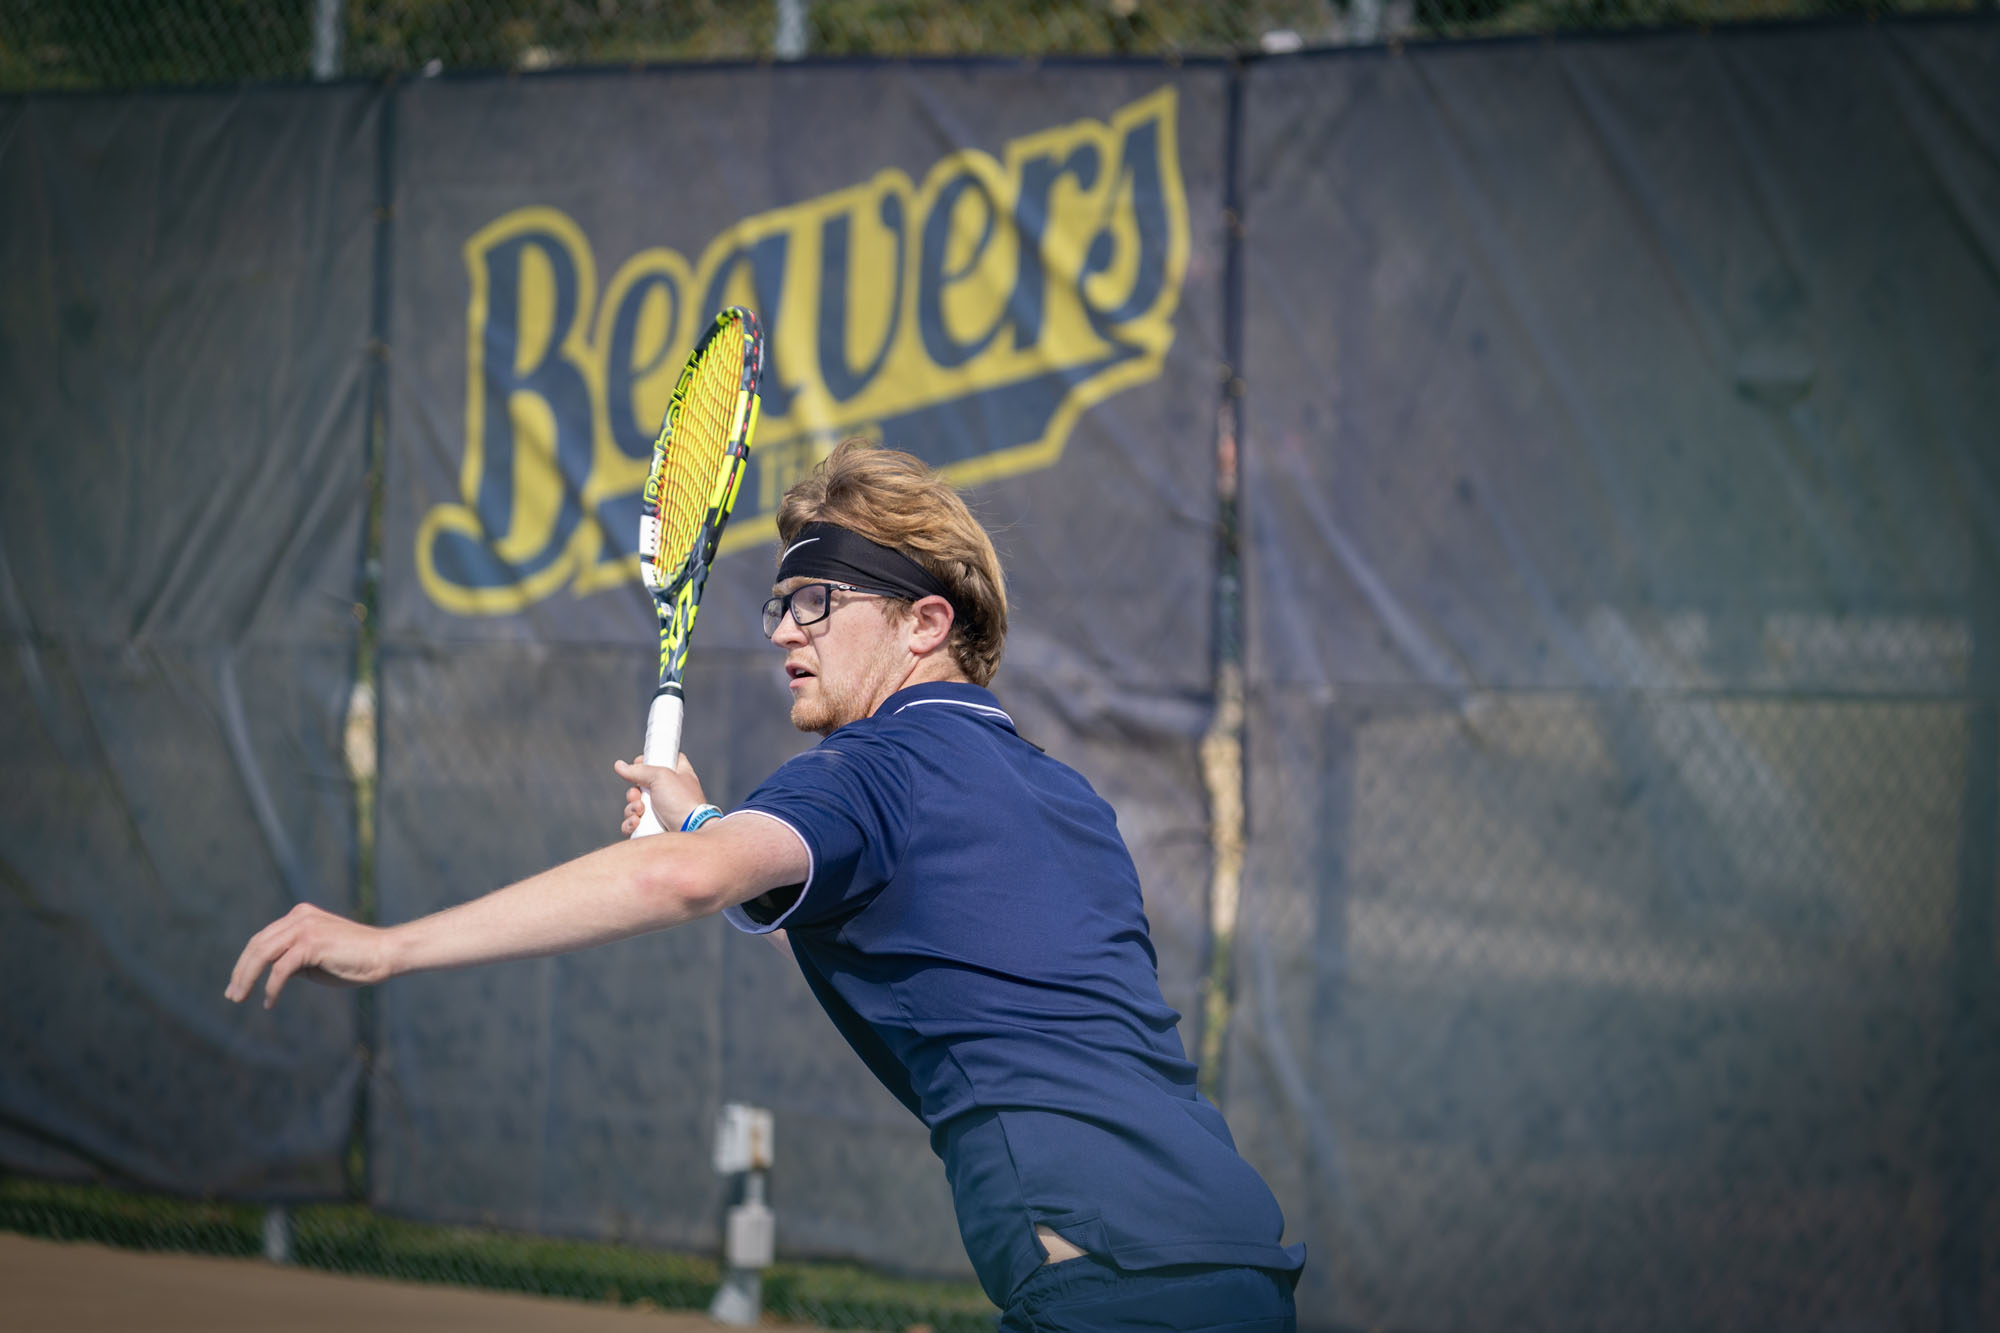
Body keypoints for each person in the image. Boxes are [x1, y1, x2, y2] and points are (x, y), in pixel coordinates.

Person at [227, 440, 1303, 1331]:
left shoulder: (870, 768)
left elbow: (677, 880)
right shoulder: (1063, 798)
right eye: (777, 604)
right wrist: (705, 820)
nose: (784, 629)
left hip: (1101, 1272)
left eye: (817, 600)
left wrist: (387, 946)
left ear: (924, 621)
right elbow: (908, 940)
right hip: (1230, 1253)